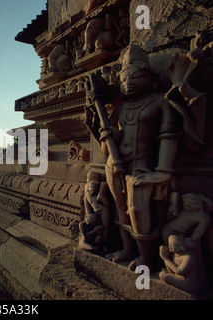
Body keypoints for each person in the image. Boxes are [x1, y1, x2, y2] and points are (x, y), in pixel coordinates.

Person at [85, 44, 181, 271]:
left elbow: (169, 136)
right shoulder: (120, 110)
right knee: (120, 207)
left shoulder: (160, 101)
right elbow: (107, 148)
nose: (129, 82)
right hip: (115, 164)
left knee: (137, 209)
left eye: (136, 76)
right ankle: (129, 249)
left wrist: (163, 172)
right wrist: (109, 138)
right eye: (125, 78)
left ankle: (147, 257)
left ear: (151, 79)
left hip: (142, 163)